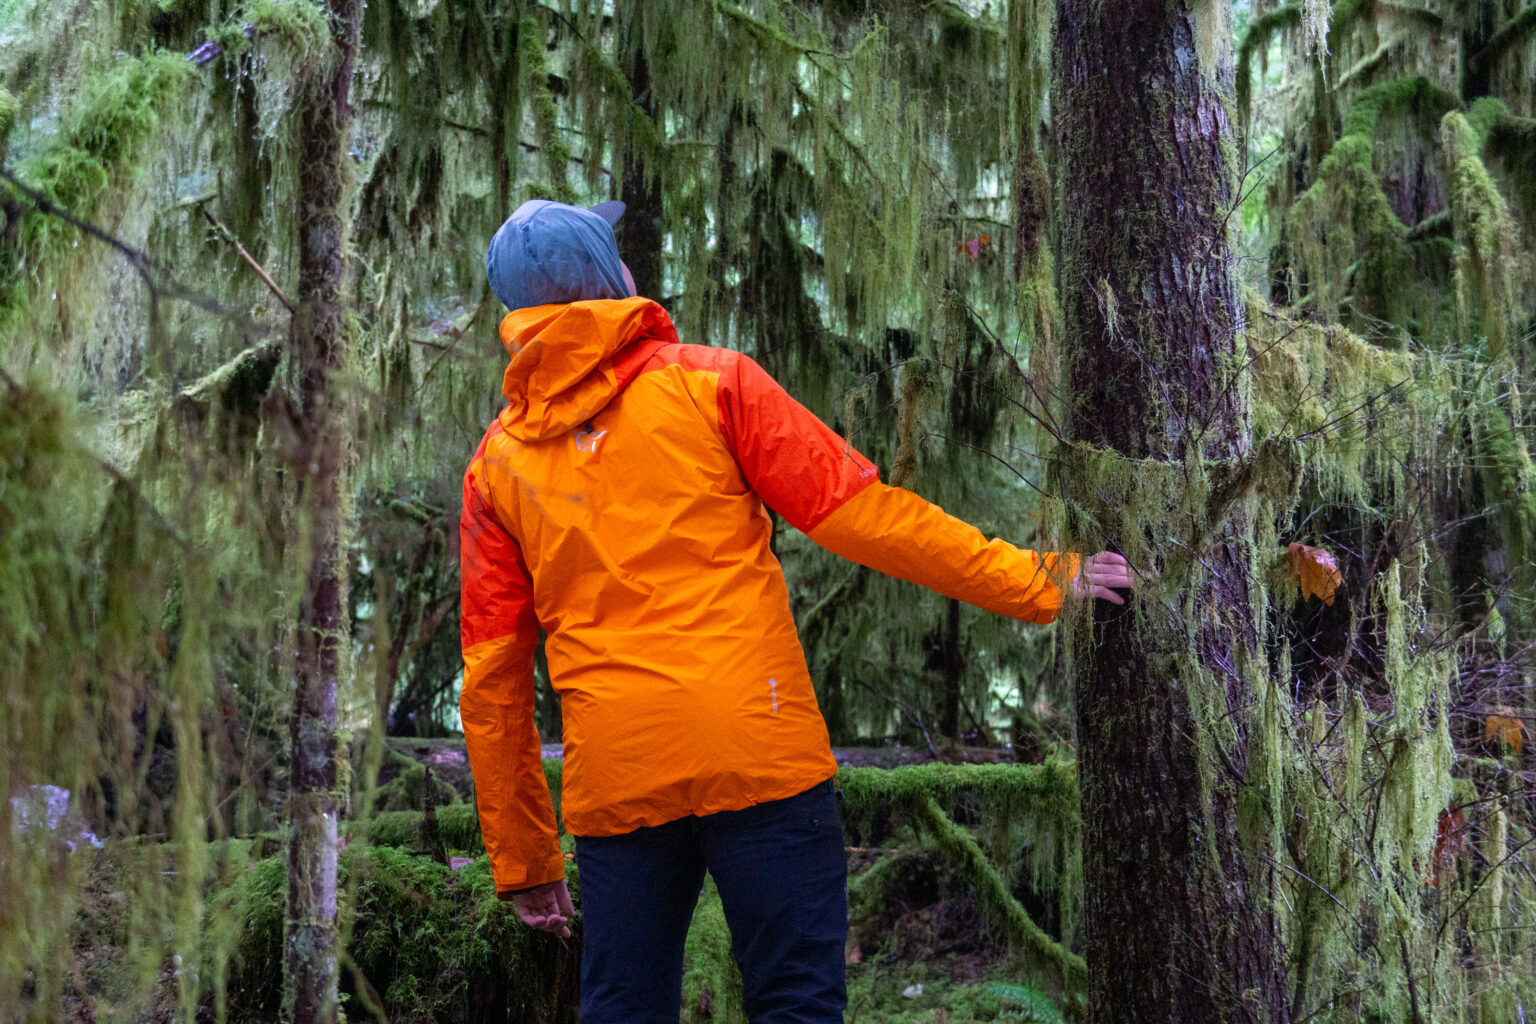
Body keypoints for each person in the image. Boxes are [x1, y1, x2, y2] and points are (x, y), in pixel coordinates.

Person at [460, 199, 1134, 1024]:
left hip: (618, 781)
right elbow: (868, 518)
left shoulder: (498, 465)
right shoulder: (712, 384)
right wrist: (1038, 581)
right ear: (612, 281)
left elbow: (492, 680)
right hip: (758, 753)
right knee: (796, 1005)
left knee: (623, 1011)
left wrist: (527, 860)